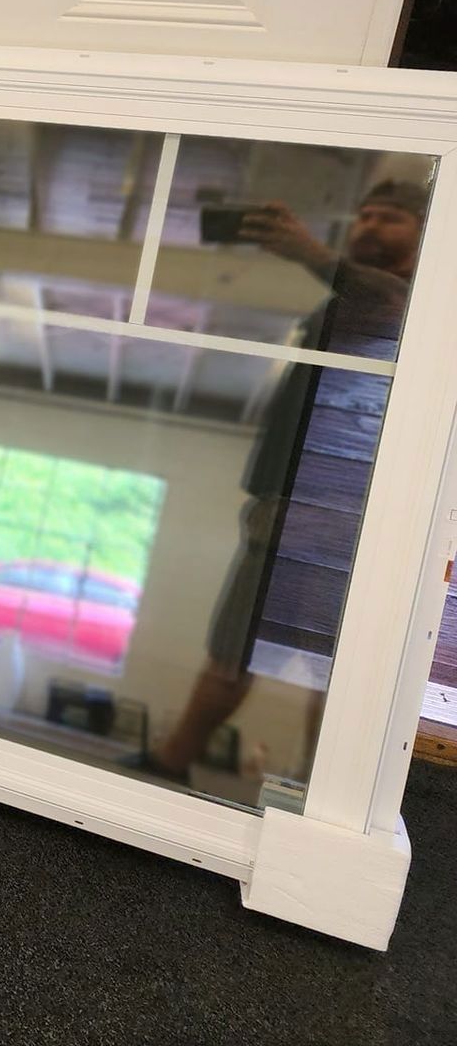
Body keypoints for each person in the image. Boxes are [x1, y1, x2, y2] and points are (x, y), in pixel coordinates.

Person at [146, 178, 427, 784]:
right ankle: (168, 765)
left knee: (334, 667)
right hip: (288, 506)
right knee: (232, 651)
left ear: (424, 233)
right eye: (366, 214)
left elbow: (389, 299)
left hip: (338, 511)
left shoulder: (413, 301)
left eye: (391, 218)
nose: (370, 224)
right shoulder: (348, 302)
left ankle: (320, 793)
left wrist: (308, 251)